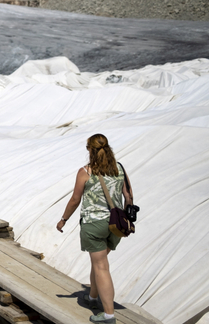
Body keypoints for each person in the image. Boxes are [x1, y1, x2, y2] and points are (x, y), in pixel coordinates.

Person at [56, 134, 134, 324]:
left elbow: (75, 199)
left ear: (90, 150)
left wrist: (63, 219)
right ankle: (92, 297)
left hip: (94, 224)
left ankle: (108, 315)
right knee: (99, 262)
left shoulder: (86, 171)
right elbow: (129, 196)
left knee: (101, 266)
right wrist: (125, 216)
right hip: (115, 225)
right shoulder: (119, 168)